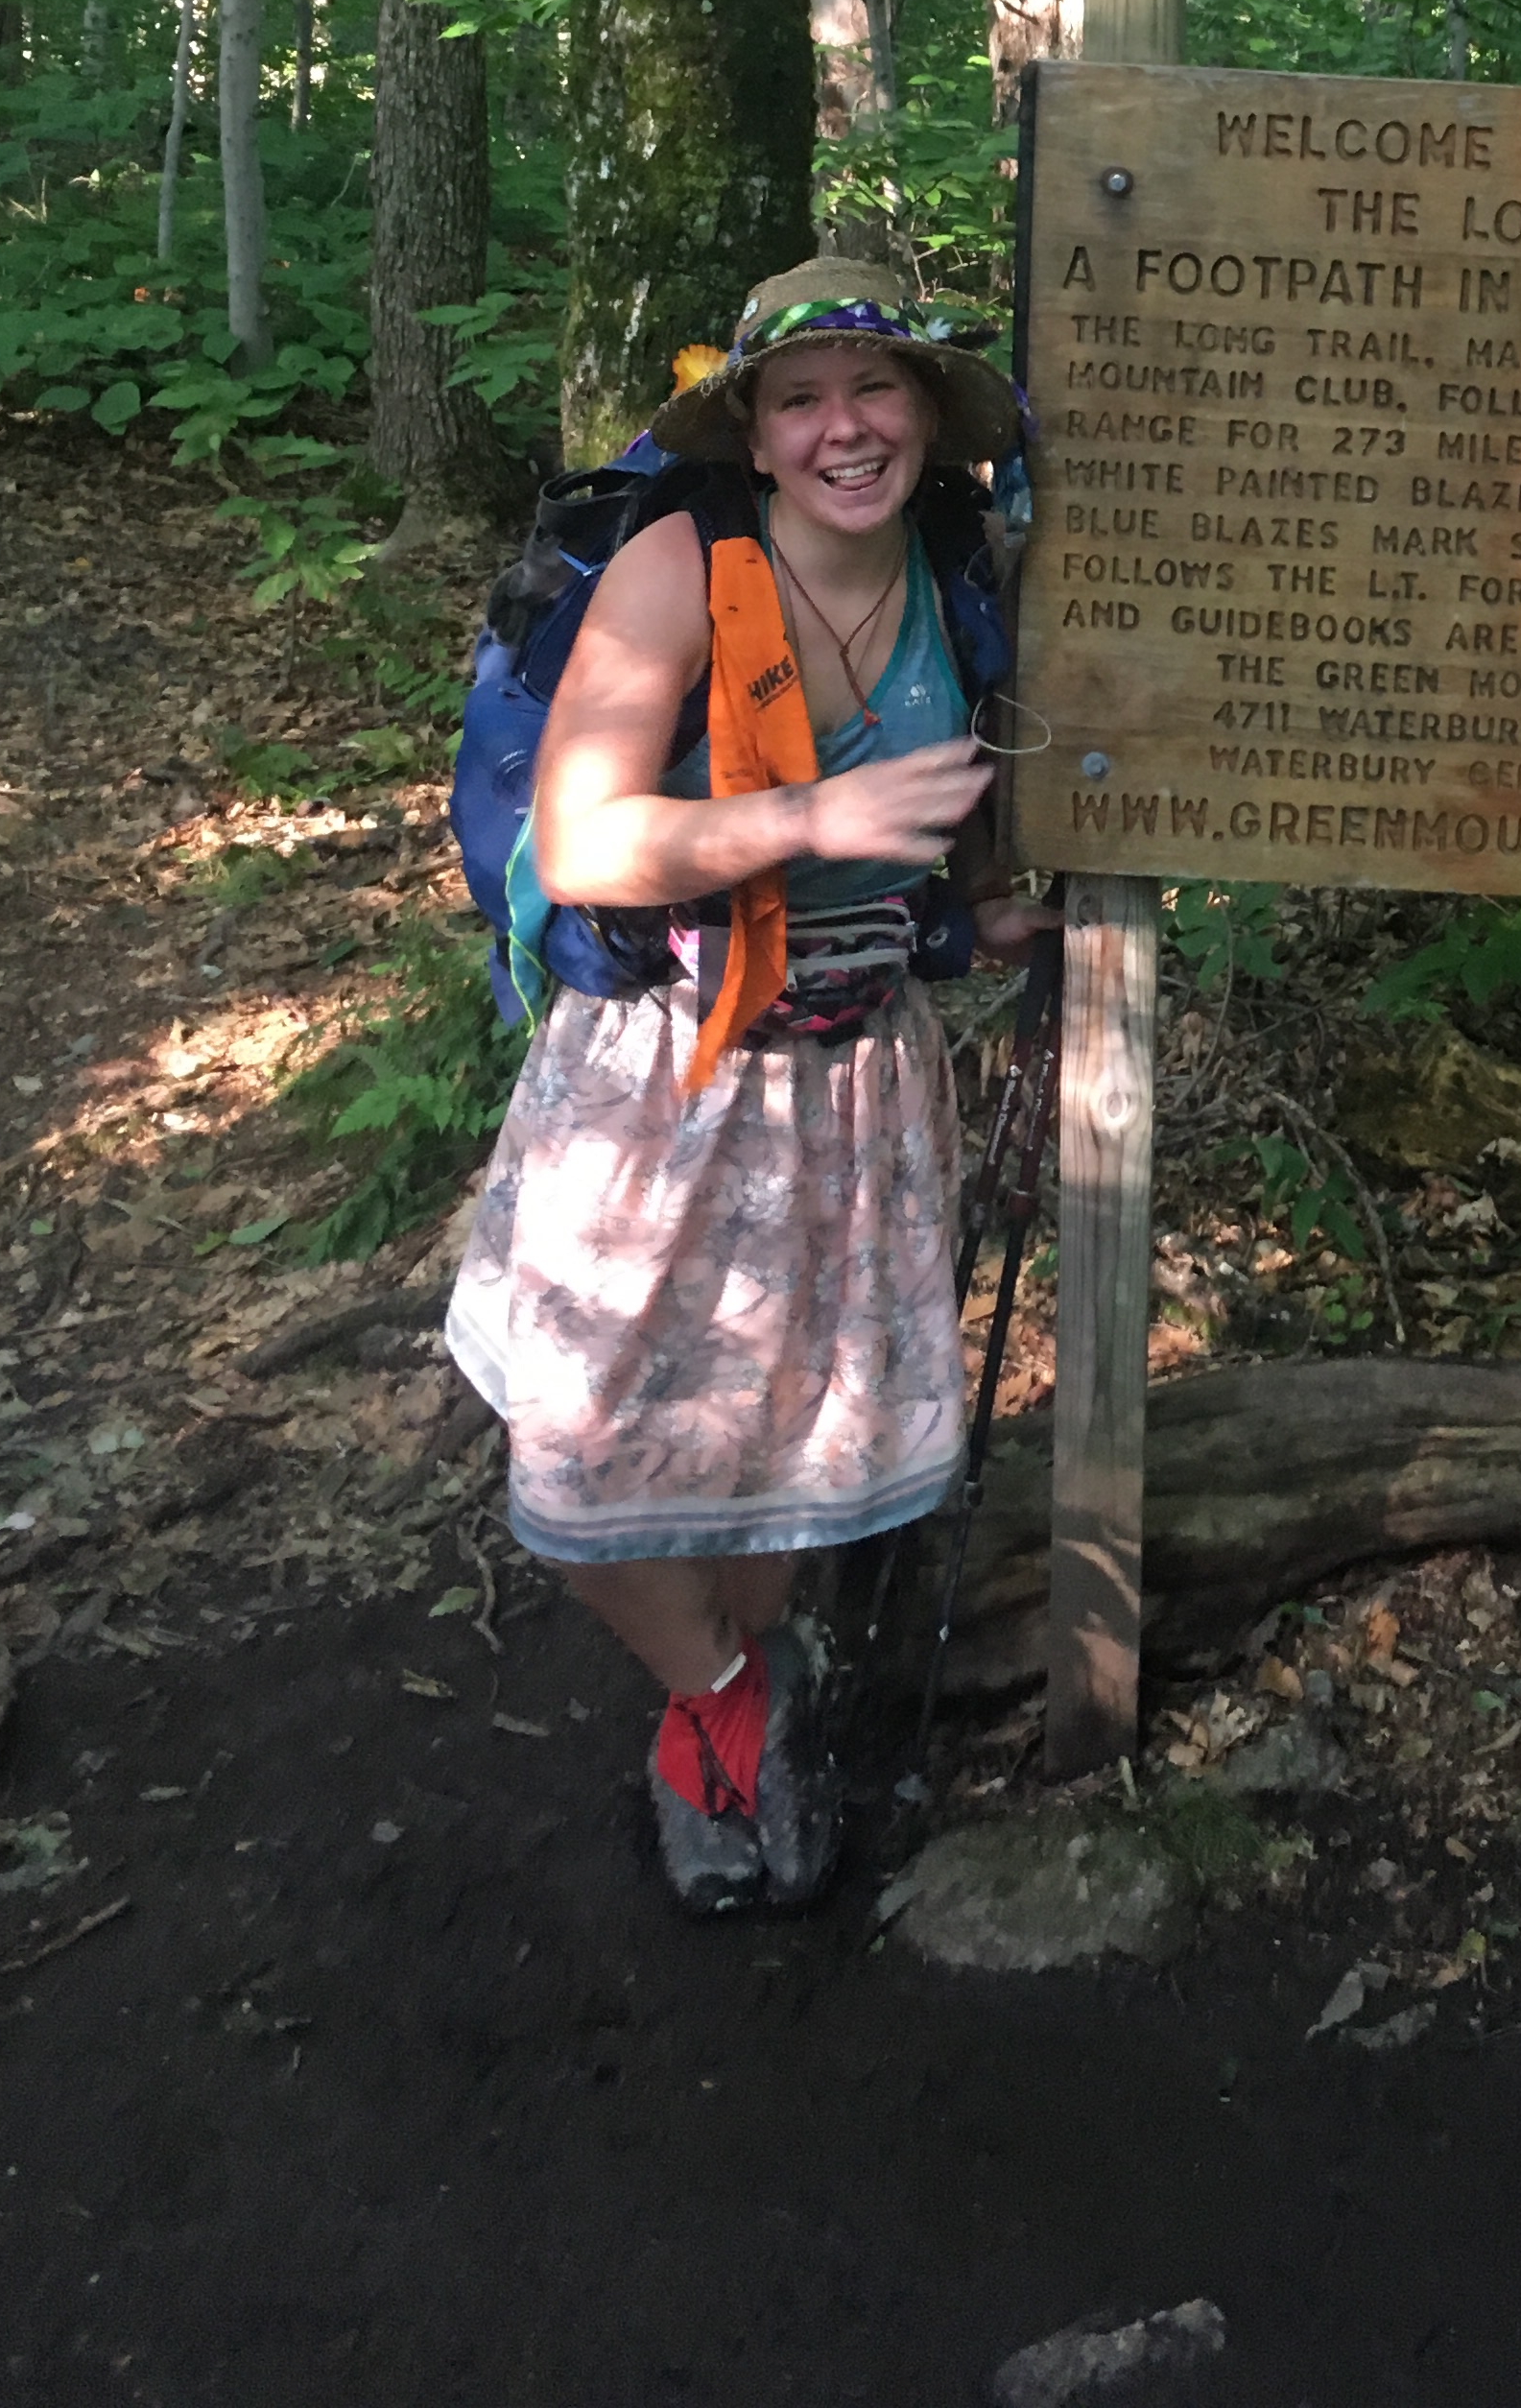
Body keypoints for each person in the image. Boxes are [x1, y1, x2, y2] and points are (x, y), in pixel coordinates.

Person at [444, 264, 1054, 1918]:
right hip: (664, 1075)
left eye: (876, 389)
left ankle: (738, 1695)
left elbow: (951, 831)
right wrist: (806, 822)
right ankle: (716, 1693)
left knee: (791, 1438)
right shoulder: (683, 567)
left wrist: (988, 915)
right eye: (802, 399)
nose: (843, 428)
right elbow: (584, 840)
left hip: (857, 1081)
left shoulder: (956, 569)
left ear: (925, 416)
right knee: (586, 1457)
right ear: (759, 432)